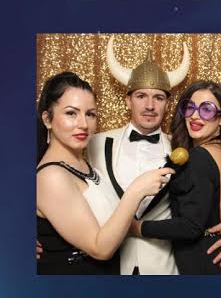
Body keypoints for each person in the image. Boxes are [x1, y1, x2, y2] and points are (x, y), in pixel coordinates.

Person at [86, 37, 221, 273]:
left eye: (158, 97)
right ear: (128, 101)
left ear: (168, 103)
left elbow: (204, 198)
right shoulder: (95, 143)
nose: (150, 105)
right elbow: (71, 186)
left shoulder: (182, 149)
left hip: (165, 267)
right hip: (108, 264)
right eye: (141, 96)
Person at [36, 72, 172, 274]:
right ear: (47, 119)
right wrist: (136, 191)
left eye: (90, 114)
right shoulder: (52, 176)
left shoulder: (84, 161)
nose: (83, 124)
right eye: (71, 113)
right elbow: (100, 249)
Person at [138, 80, 221, 274]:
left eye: (207, 109)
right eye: (191, 107)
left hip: (206, 261)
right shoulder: (220, 150)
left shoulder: (198, 157)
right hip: (218, 257)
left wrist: (136, 228)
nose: (195, 116)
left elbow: (190, 226)